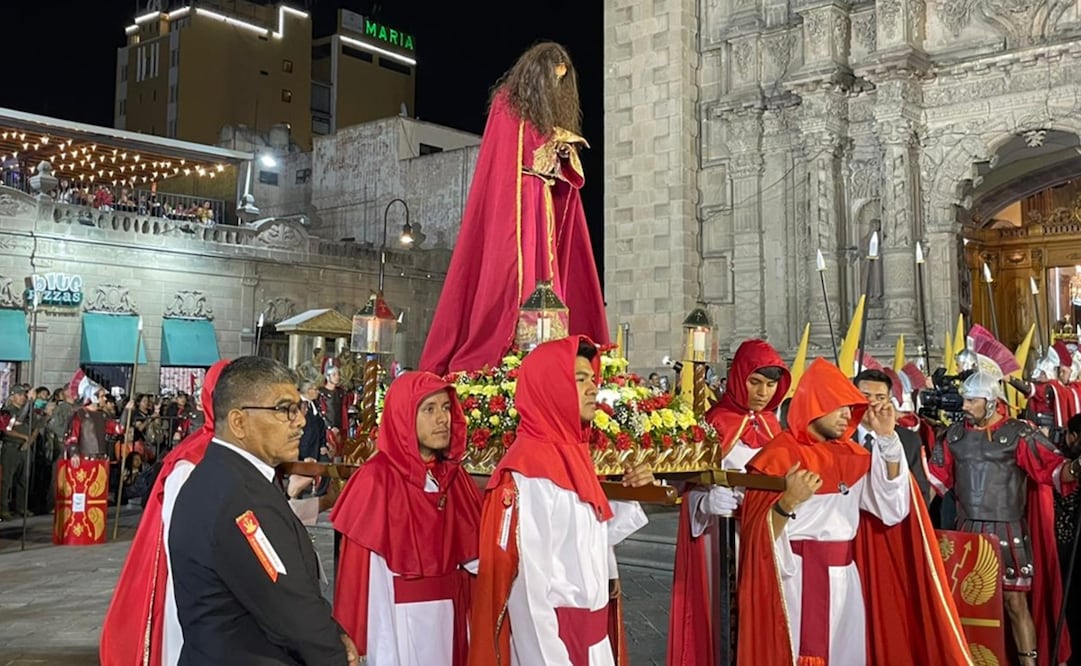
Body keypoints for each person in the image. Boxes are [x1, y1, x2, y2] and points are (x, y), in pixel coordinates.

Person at [737, 357, 971, 665]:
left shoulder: (854, 456)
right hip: (793, 578)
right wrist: (786, 503)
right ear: (815, 404)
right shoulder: (778, 456)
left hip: (846, 581)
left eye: (851, 408)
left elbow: (892, 508)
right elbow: (756, 539)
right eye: (840, 407)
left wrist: (887, 438)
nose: (847, 416)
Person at [420, 42, 609, 375]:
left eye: (561, 80)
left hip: (542, 201)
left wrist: (563, 153)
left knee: (547, 273)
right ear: (537, 73)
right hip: (517, 200)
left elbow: (562, 170)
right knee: (516, 275)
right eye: (552, 76)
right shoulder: (509, 104)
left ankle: (548, 342)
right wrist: (545, 152)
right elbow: (507, 157)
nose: (555, 85)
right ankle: (512, 345)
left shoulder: (549, 114)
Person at [470, 336, 653, 665]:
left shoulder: (573, 454)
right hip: (557, 646)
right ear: (550, 388)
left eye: (593, 379)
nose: (593, 388)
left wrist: (631, 494)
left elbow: (583, 543)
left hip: (594, 642)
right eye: (580, 380)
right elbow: (527, 592)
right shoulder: (528, 475)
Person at [167, 357, 356, 664]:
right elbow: (290, 606)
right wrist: (333, 652)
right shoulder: (239, 495)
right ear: (239, 422)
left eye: (299, 408)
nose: (300, 421)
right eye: (285, 410)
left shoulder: (227, 475)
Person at [331, 371, 481, 664]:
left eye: (447, 407)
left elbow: (476, 557)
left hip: (451, 616)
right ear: (403, 416)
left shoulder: (454, 477)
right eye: (429, 409)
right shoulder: (375, 479)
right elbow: (362, 577)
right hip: (397, 617)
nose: (443, 419)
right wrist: (364, 642)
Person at [929, 371, 1075, 666]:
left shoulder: (1018, 434)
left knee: (1015, 603)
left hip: (1007, 532)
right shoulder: (954, 436)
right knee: (967, 608)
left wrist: (1077, 467)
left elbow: (1053, 468)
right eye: (965, 399)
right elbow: (933, 481)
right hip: (967, 532)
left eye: (972, 400)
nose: (965, 406)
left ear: (992, 402)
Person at [668, 338, 790, 665]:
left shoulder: (774, 426)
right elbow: (682, 482)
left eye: (770, 384)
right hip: (721, 540)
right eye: (755, 382)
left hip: (765, 535)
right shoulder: (715, 422)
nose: (763, 392)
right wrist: (705, 502)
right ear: (738, 377)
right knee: (720, 621)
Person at [854, 368, 932, 501]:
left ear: (889, 401)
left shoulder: (909, 440)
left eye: (880, 397)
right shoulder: (838, 438)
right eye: (865, 396)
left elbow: (919, 490)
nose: (872, 403)